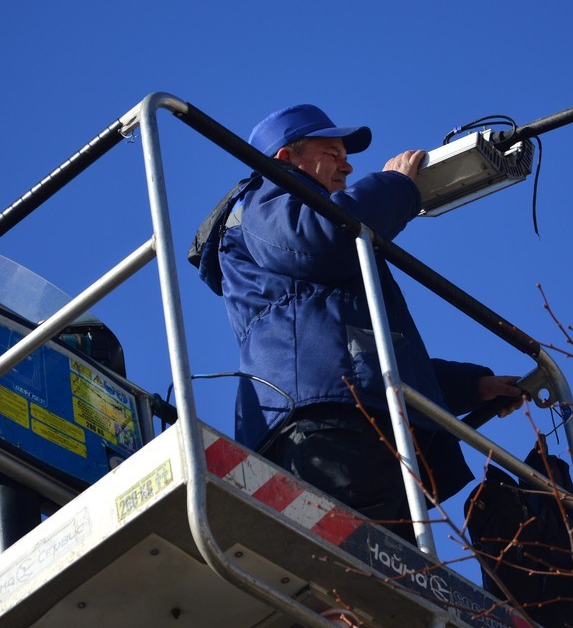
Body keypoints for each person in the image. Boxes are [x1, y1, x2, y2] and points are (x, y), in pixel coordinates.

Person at [193, 103, 521, 540]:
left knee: (369, 585)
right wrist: (395, 187)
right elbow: (323, 241)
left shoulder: (306, 262)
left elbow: (361, 353)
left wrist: (469, 386)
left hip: (341, 419)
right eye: (332, 153)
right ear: (286, 158)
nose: (347, 166)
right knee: (355, 578)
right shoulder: (267, 193)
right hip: (324, 425)